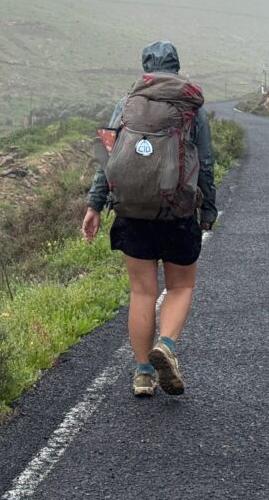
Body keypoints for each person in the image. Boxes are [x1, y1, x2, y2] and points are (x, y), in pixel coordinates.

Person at [81, 41, 217, 396]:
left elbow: (108, 160)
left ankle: (143, 374)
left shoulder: (125, 104)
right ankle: (167, 345)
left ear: (145, 68)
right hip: (178, 211)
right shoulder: (191, 107)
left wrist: (94, 205)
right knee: (181, 286)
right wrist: (209, 209)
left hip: (132, 210)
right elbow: (204, 163)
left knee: (142, 293)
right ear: (175, 67)